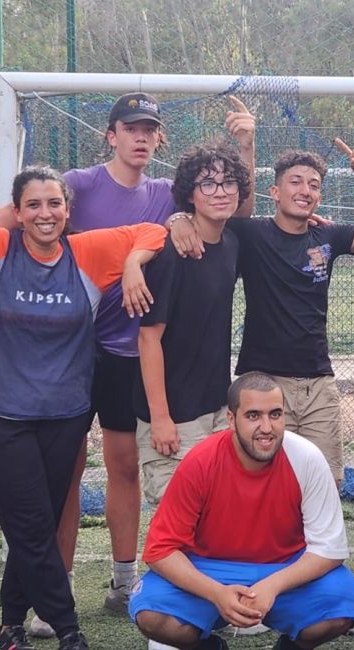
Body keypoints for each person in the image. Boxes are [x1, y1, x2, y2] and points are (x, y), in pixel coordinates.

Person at [0, 93, 257, 631]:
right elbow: (4, 222)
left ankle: (122, 576)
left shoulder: (167, 195)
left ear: (158, 139)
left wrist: (243, 149)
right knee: (60, 475)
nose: (140, 136)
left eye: (149, 129)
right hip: (67, 351)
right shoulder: (79, 185)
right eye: (130, 128)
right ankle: (49, 588)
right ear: (110, 135)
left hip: (124, 354)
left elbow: (228, 211)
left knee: (126, 467)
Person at [0, 166, 167, 650]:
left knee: (38, 523)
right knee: (29, 522)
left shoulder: (87, 252)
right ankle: (68, 628)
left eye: (54, 204)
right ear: (17, 212)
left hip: (64, 415)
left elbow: (153, 230)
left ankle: (9, 628)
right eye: (33, 205)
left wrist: (133, 262)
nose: (45, 214)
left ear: (69, 211)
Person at [169, 140, 354, 484]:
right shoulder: (249, 234)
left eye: (313, 185)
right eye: (295, 182)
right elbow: (212, 214)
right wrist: (178, 219)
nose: (305, 190)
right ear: (275, 192)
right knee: (261, 483)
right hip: (263, 379)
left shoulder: (328, 236)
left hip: (318, 384)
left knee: (324, 483)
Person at [129, 372, 354, 650]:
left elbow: (329, 550)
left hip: (283, 566)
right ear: (231, 419)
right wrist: (216, 593)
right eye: (253, 416)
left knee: (342, 605)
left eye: (275, 414)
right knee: (152, 616)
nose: (266, 427)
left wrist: (272, 586)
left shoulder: (307, 458)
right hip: (209, 568)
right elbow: (160, 550)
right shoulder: (200, 462)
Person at [134, 142, 251, 507]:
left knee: (217, 520)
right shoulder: (172, 252)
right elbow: (148, 339)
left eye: (229, 182)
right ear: (189, 194)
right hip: (175, 417)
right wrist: (161, 418)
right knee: (176, 528)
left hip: (215, 411)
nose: (220, 192)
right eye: (208, 184)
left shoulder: (231, 243)